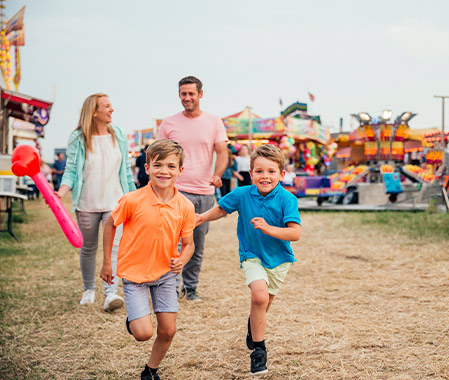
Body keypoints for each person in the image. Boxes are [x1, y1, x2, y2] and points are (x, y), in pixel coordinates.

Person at [196, 144, 301, 376]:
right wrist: (201, 218)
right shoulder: (242, 194)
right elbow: (222, 209)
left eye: (271, 171)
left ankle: (253, 327)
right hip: (251, 254)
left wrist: (269, 229)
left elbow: (295, 233)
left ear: (282, 174)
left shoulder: (287, 199)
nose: (265, 176)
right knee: (259, 296)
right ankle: (259, 352)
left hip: (279, 260)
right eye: (260, 171)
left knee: (263, 304)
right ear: (251, 173)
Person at [100, 139, 196, 380]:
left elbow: (189, 244)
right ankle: (134, 321)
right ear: (147, 168)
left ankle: (150, 370)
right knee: (143, 333)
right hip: (134, 275)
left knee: (168, 330)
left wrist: (181, 260)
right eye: (158, 165)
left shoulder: (185, 206)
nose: (164, 171)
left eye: (171, 166)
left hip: (165, 275)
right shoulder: (132, 200)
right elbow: (110, 223)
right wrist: (106, 262)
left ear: (180, 171)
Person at [57, 93, 136, 311]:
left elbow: (126, 172)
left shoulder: (118, 134)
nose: (112, 110)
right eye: (107, 106)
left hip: (115, 201)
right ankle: (89, 289)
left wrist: (135, 197)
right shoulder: (77, 138)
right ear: (94, 112)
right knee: (89, 247)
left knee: (114, 249)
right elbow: (71, 171)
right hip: (87, 203)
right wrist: (60, 193)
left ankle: (111, 293)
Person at [156, 75, 228, 301]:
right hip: (176, 191)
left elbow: (222, 152)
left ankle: (190, 288)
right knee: (172, 242)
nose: (187, 98)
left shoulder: (214, 121)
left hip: (204, 192)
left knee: (195, 244)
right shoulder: (169, 123)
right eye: (183, 94)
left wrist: (217, 175)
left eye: (191, 94)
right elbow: (157, 152)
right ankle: (169, 288)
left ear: (200, 94)